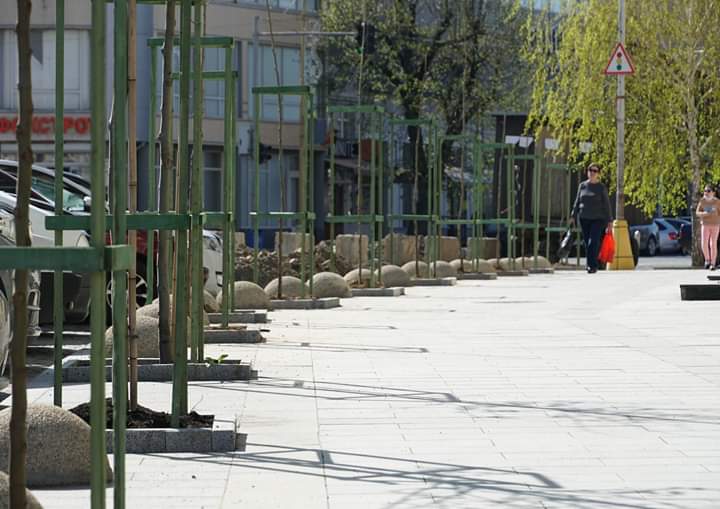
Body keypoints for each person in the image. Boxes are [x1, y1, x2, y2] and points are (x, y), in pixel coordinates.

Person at [569, 163, 613, 273]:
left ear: (598, 174)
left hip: (598, 219)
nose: (592, 173)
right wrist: (573, 215)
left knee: (593, 241)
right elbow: (577, 201)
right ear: (587, 172)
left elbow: (606, 205)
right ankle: (590, 264)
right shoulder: (582, 186)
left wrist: (610, 221)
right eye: (590, 170)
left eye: (595, 171)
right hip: (584, 218)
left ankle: (592, 265)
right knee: (586, 242)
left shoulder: (601, 187)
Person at [696, 184, 720, 270]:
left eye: (708, 191)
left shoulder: (717, 202)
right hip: (705, 224)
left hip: (715, 224)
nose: (706, 193)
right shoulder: (702, 201)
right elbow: (697, 212)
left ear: (713, 192)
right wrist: (704, 214)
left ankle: (713, 264)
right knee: (704, 243)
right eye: (705, 191)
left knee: (712, 244)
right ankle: (707, 260)